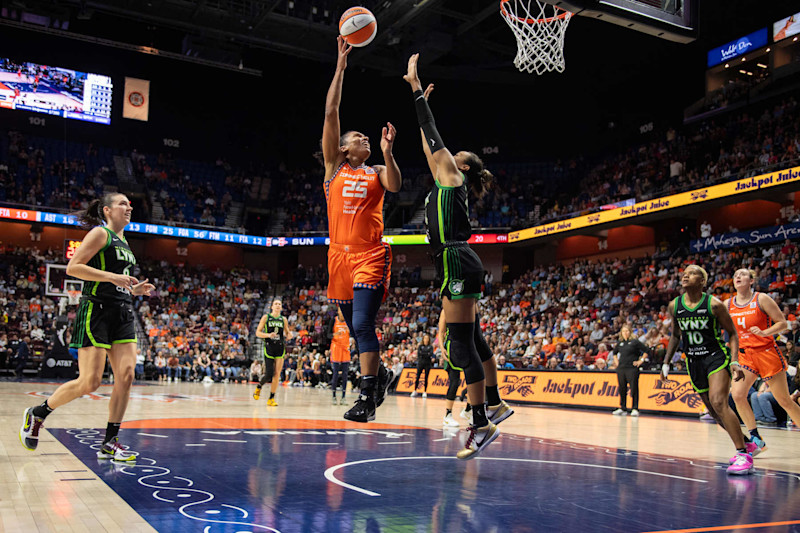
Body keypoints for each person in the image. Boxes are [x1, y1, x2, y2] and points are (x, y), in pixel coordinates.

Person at [403, 53, 513, 459]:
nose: (444, 157)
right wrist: (422, 108)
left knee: (459, 345)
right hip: (458, 260)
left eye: (451, 155)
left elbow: (433, 138)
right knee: (472, 339)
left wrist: (416, 90)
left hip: (456, 259)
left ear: (459, 165)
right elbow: (428, 143)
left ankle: (482, 422)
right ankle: (496, 404)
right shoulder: (445, 177)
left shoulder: (453, 175)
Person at [19, 193, 154, 461]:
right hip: (97, 311)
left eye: (130, 204)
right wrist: (112, 276)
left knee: (126, 376)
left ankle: (110, 441)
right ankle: (38, 413)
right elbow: (73, 267)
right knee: (90, 382)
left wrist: (134, 289)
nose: (129, 207)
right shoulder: (99, 234)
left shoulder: (125, 242)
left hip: (123, 312)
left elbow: (116, 282)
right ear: (107, 210)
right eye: (122, 204)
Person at [322, 36, 402, 423]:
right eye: (358, 137)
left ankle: (367, 397)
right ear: (342, 149)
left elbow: (397, 185)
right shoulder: (332, 169)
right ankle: (382, 373)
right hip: (338, 256)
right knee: (355, 330)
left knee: (361, 323)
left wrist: (387, 152)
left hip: (370, 254)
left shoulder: (376, 170)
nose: (365, 138)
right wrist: (340, 66)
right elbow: (331, 111)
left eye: (366, 137)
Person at [660, 265, 752, 475]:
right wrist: (666, 363)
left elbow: (733, 333)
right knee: (712, 410)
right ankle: (746, 443)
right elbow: (675, 335)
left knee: (719, 402)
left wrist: (735, 360)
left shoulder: (714, 305)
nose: (685, 275)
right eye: (684, 273)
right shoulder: (675, 305)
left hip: (715, 357)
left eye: (692, 273)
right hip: (693, 360)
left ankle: (743, 455)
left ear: (702, 281)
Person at [726, 268, 799, 451]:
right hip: (745, 356)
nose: (738, 277)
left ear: (751, 280)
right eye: (735, 276)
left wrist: (764, 333)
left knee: (784, 401)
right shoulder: (727, 304)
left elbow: (782, 323)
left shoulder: (761, 299)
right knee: (737, 395)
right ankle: (756, 439)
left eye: (742, 275)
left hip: (766, 352)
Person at [253, 299, 289, 406]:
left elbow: (287, 332)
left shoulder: (284, 319)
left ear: (281, 308)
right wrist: (268, 335)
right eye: (276, 304)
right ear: (272, 307)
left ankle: (271, 398)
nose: (278, 305)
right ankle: (259, 386)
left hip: (280, 347)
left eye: (279, 304)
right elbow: (258, 332)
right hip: (269, 347)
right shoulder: (266, 317)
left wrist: (290, 335)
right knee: (269, 373)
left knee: (277, 374)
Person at [612, 324, 651, 417]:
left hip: (632, 368)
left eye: (627, 331)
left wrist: (640, 361)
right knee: (622, 388)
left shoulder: (635, 342)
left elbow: (647, 350)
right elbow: (614, 353)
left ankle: (635, 408)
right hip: (621, 368)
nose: (625, 333)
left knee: (633, 388)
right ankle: (623, 407)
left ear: (630, 332)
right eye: (624, 331)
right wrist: (616, 362)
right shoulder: (620, 343)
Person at [330, 307, 351, 405]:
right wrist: (334, 334)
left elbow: (355, 334)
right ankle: (334, 396)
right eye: (340, 310)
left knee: (345, 374)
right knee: (335, 373)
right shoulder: (333, 320)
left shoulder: (349, 321)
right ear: (338, 311)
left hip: (345, 349)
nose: (342, 312)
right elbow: (327, 335)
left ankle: (343, 397)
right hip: (336, 348)